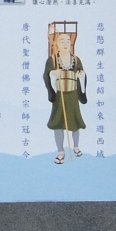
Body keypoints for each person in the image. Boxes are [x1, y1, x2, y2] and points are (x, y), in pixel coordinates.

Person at [43, 23, 86, 164]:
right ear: (56, 44)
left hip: (73, 95)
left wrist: (81, 76)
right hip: (59, 96)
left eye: (68, 41)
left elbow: (82, 74)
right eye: (62, 41)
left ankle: (76, 146)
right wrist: (52, 73)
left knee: (75, 123)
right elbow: (46, 75)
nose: (65, 43)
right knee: (58, 124)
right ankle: (60, 151)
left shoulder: (76, 59)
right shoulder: (52, 60)